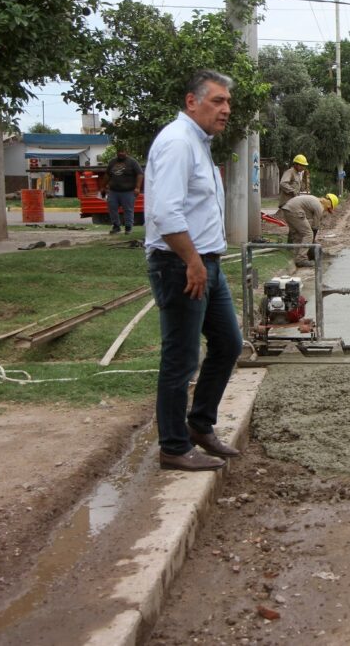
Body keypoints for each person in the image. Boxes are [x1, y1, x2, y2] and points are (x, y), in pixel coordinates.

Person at [144, 70, 243, 472]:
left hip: (205, 263)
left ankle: (199, 426)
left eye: (228, 103)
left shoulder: (199, 144)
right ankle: (173, 447)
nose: (226, 110)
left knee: (228, 344)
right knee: (181, 359)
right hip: (182, 265)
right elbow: (165, 213)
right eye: (218, 101)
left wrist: (204, 261)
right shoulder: (177, 142)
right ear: (191, 101)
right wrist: (192, 262)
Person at [281, 192, 338, 267]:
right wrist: (312, 244)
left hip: (287, 209)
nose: (326, 211)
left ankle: (298, 255)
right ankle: (301, 259)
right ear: (329, 204)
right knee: (308, 234)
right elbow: (315, 226)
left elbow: (309, 222)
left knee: (298, 234)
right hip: (294, 210)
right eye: (328, 209)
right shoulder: (319, 207)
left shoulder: (315, 201)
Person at [101, 148, 143, 234]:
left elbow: (140, 174)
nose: (121, 153)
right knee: (112, 208)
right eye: (119, 152)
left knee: (128, 209)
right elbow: (107, 174)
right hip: (113, 191)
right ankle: (116, 226)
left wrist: (138, 187)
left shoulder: (132, 162)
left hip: (128, 191)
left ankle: (128, 228)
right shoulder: (112, 162)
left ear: (127, 152)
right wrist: (103, 186)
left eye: (123, 151)